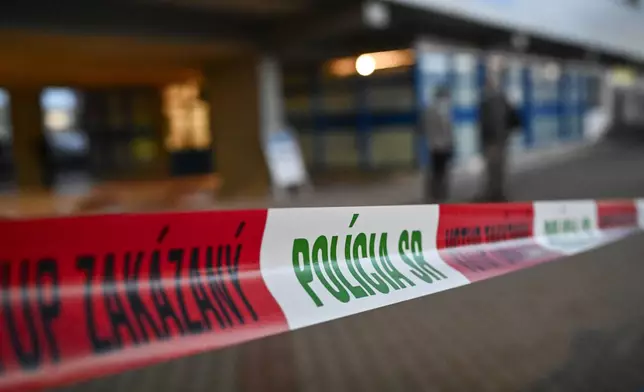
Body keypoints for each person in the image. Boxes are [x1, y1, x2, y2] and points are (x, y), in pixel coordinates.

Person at [477, 72, 520, 202]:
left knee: (494, 168)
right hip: (499, 140)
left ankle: (495, 193)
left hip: (494, 141)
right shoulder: (502, 100)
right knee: (497, 168)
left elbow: (484, 124)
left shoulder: (488, 102)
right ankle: (496, 192)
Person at [423, 84, 454, 203]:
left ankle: (433, 194)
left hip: (433, 146)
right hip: (442, 146)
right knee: (441, 172)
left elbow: (425, 128)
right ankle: (439, 195)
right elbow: (447, 130)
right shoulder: (443, 111)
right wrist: (450, 143)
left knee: (435, 171)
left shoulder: (429, 110)